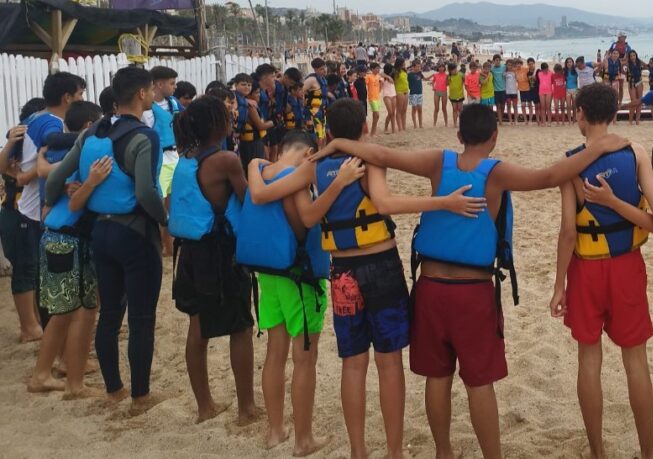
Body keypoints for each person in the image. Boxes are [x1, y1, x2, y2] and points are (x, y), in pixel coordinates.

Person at [313, 104, 630, 459]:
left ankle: (443, 452)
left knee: (437, 377)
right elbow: (550, 176)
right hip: (472, 293)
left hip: (430, 288)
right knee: (479, 383)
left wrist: (336, 143)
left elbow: (381, 154)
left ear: (459, 135)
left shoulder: (438, 161)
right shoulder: (496, 172)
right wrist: (597, 149)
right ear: (495, 136)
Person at [274, 98, 481, 459]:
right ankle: (394, 452)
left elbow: (306, 217)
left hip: (342, 272)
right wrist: (442, 202)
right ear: (364, 128)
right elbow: (384, 204)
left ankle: (359, 451)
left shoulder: (314, 167)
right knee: (388, 362)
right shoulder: (367, 160)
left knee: (353, 363)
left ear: (329, 130)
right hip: (380, 265)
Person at [549, 83, 653, 459]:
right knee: (636, 360)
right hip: (628, 266)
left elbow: (568, 232)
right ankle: (648, 453)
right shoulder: (636, 152)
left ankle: (597, 451)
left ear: (579, 114)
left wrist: (559, 285)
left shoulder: (571, 163)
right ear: (613, 115)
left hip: (586, 270)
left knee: (589, 360)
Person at [44, 67, 166, 416]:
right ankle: (140, 396)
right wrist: (165, 220)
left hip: (100, 232)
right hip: (135, 233)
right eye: (150, 91)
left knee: (110, 312)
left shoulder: (91, 132)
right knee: (141, 317)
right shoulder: (144, 136)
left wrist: (65, 195)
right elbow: (145, 191)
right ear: (141, 94)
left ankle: (114, 389)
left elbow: (54, 182)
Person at [243, 130, 341, 456]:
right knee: (304, 358)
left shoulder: (262, 170)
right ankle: (303, 439)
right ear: (310, 152)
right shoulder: (296, 179)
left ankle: (275, 431)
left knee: (275, 352)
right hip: (298, 278)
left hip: (268, 274)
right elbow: (307, 220)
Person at [166, 95, 260, 425]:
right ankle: (246, 408)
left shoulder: (185, 159)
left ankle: (204, 406)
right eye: (227, 115)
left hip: (190, 253)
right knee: (241, 327)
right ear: (217, 125)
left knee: (198, 327)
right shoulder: (225, 160)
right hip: (220, 254)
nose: (233, 117)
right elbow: (248, 199)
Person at [28, 100, 103, 397]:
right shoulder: (81, 154)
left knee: (68, 312)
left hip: (56, 235)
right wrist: (90, 183)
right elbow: (70, 193)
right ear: (89, 126)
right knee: (74, 312)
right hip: (68, 238)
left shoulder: (57, 150)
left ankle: (56, 373)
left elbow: (48, 174)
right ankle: (59, 378)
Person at [22, 72, 88, 333]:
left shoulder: (35, 117)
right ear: (67, 97)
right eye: (80, 94)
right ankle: (54, 338)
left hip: (35, 208)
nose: (82, 99)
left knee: (44, 277)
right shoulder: (54, 124)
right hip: (44, 208)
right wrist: (92, 135)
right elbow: (52, 148)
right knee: (53, 283)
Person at [0, 98, 45, 342]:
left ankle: (35, 320)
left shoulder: (32, 144)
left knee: (34, 267)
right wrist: (10, 142)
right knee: (25, 268)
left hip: (28, 214)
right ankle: (28, 327)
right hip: (16, 214)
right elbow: (7, 169)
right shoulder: (18, 142)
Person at [143, 66, 183, 257]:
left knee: (171, 206)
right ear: (159, 84)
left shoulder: (174, 103)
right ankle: (157, 246)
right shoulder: (147, 109)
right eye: (172, 83)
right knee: (158, 206)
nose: (175, 87)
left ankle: (170, 247)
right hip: (159, 161)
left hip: (175, 158)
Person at [233, 73, 272, 171]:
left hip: (241, 140)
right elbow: (260, 126)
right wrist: (273, 122)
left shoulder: (244, 101)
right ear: (235, 85)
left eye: (249, 85)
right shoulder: (235, 98)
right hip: (245, 142)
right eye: (243, 84)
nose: (247, 87)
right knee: (253, 168)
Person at [626, 50, 645, 124]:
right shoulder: (628, 64)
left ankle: (637, 120)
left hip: (639, 82)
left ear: (636, 56)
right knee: (633, 101)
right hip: (632, 82)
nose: (633, 57)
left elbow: (647, 66)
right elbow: (622, 67)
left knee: (639, 101)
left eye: (634, 55)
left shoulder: (639, 62)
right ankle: (630, 120)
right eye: (631, 56)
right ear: (629, 57)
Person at [366, 63, 384, 136]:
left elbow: (381, 85)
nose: (378, 69)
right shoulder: (368, 76)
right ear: (372, 69)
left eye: (379, 68)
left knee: (375, 116)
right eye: (377, 68)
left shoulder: (378, 76)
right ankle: (372, 132)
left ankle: (373, 132)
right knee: (377, 114)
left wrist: (380, 88)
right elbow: (365, 83)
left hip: (377, 97)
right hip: (372, 97)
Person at [393, 58, 409, 132]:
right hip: (399, 91)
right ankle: (400, 128)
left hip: (406, 91)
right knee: (399, 110)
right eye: (403, 62)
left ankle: (404, 127)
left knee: (404, 110)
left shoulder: (404, 70)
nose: (404, 64)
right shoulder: (395, 72)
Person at [382, 64, 398, 135]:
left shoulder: (393, 76)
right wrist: (387, 76)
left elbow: (392, 81)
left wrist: (388, 76)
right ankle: (386, 127)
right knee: (390, 112)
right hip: (386, 95)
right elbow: (380, 74)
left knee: (393, 113)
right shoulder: (382, 77)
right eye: (391, 69)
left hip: (393, 94)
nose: (392, 70)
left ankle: (393, 130)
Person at [408, 60, 425, 129]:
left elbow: (425, 79)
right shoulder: (409, 75)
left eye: (419, 67)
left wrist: (433, 76)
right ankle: (415, 124)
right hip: (413, 93)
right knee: (414, 109)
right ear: (413, 67)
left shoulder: (420, 73)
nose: (418, 68)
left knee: (420, 109)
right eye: (417, 67)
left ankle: (420, 124)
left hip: (420, 93)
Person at [537, 62, 554, 126]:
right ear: (542, 69)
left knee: (548, 107)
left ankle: (549, 122)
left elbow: (554, 78)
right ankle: (544, 122)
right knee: (543, 107)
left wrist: (549, 70)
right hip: (541, 91)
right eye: (544, 69)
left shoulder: (551, 73)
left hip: (549, 91)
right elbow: (535, 74)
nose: (546, 70)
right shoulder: (539, 73)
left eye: (547, 69)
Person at [492, 55, 507, 121]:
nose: (498, 61)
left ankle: (501, 117)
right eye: (496, 60)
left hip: (503, 90)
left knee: (503, 106)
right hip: (495, 90)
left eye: (499, 60)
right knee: (498, 106)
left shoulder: (504, 67)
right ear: (493, 61)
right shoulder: (492, 69)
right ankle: (500, 121)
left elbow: (512, 66)